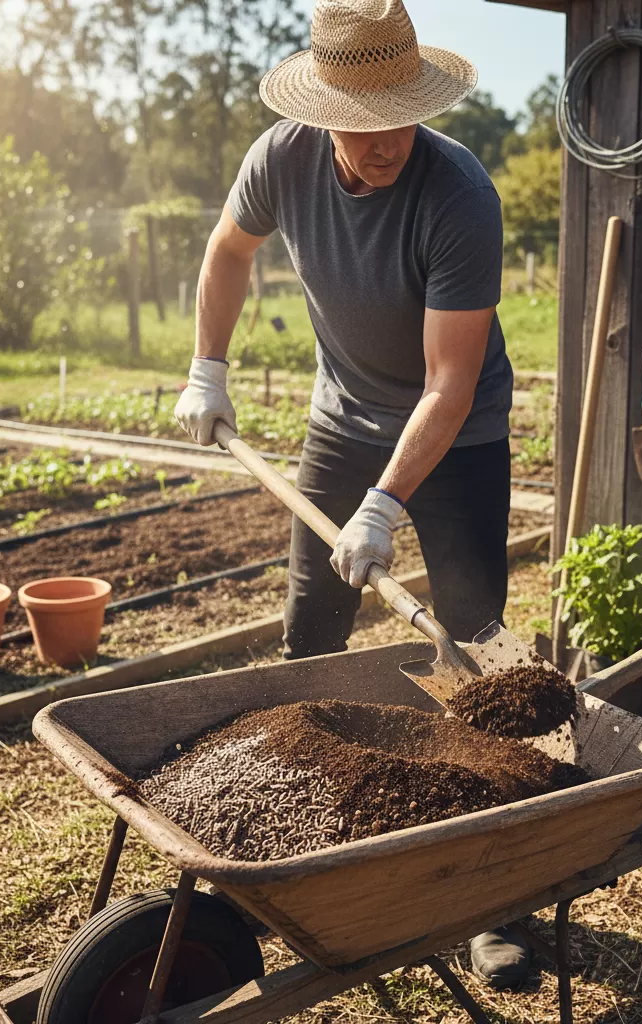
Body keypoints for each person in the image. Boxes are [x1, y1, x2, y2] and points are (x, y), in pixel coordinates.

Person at [175, 0, 529, 988]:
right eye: (362, 123)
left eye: (400, 119)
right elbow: (226, 252)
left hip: (456, 432)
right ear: (322, 107)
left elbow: (448, 385)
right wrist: (208, 364)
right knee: (309, 630)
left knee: (472, 636)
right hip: (341, 417)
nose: (383, 145)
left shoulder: (457, 192)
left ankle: (487, 891)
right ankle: (301, 840)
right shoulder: (280, 159)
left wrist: (385, 502)